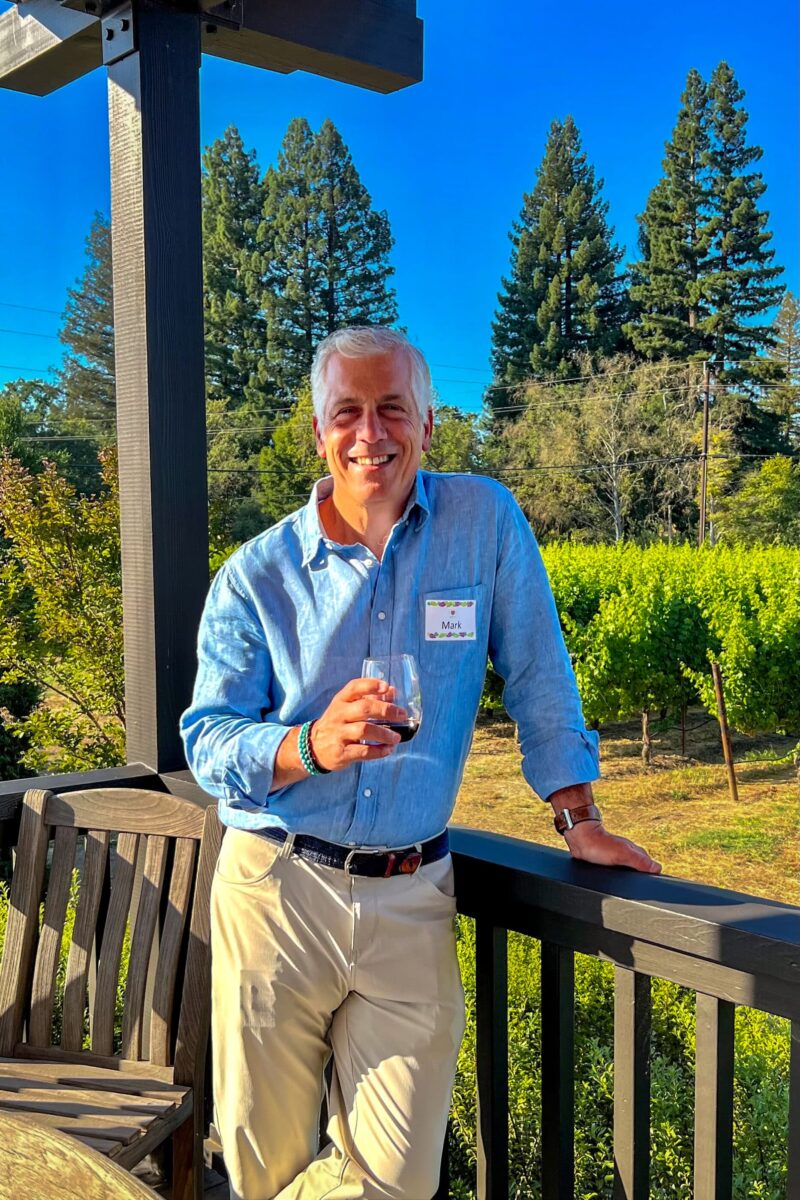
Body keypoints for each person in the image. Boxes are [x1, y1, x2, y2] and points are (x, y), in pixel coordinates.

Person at [180, 326, 662, 1200]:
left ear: (429, 424)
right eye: (349, 413)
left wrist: (578, 818)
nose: (372, 433)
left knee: (397, 1180)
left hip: (412, 896)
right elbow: (207, 736)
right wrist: (304, 746)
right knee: (265, 1169)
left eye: (392, 408)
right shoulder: (255, 576)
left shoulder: (485, 525)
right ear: (321, 434)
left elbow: (540, 671)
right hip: (276, 889)